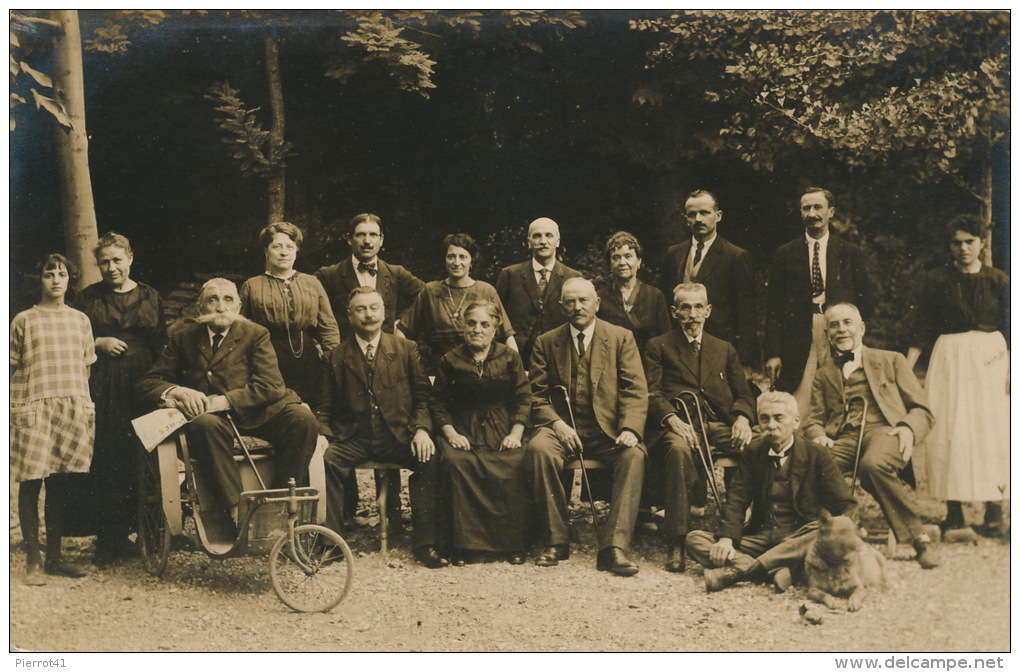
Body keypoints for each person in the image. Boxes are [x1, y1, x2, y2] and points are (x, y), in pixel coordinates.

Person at [137, 278, 321, 528]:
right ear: (200, 307)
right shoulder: (183, 337)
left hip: (258, 413)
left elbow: (270, 385)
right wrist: (178, 391)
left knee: (302, 419)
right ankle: (237, 512)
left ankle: (282, 505)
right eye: (212, 300)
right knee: (204, 424)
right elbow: (151, 381)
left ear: (239, 306)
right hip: (214, 422)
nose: (220, 307)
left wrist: (223, 401)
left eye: (228, 299)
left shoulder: (255, 334)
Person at [525, 277, 647, 575]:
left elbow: (635, 389)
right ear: (561, 306)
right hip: (562, 430)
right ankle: (556, 540)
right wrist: (557, 424)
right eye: (570, 301)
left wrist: (629, 428)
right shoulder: (546, 341)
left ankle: (614, 547)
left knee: (634, 456)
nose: (577, 307)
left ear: (597, 303)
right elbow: (535, 395)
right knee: (538, 450)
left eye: (583, 300)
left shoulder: (620, 337)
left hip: (608, 431)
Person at [318, 287, 447, 568]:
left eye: (374, 308)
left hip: (397, 436)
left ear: (384, 313)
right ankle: (332, 543)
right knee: (326, 460)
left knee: (430, 458)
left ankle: (427, 543)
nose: (369, 315)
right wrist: (324, 436)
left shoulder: (405, 349)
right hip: (354, 438)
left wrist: (422, 430)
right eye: (361, 309)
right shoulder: (335, 356)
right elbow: (324, 407)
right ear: (349, 315)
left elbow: (423, 397)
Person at [804, 302, 940, 568]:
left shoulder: (891, 360)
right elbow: (813, 420)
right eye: (834, 325)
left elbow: (923, 410)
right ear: (827, 334)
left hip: (885, 432)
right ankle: (822, 538)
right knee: (811, 463)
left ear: (861, 328)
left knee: (873, 464)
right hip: (843, 437)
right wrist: (818, 434)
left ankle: (919, 539)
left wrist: (907, 428)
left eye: (847, 323)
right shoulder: (823, 373)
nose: (841, 330)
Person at [685, 391, 856, 592]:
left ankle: (748, 569)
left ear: (796, 421)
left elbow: (846, 507)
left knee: (828, 530)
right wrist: (726, 539)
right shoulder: (753, 452)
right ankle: (776, 569)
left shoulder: (817, 455)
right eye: (764, 419)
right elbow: (737, 498)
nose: (771, 425)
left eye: (778, 418)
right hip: (762, 536)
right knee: (695, 539)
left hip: (798, 538)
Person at [905, 215, 1010, 538]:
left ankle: (994, 510)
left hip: (991, 360)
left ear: (982, 243)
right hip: (949, 360)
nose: (963, 248)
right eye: (957, 242)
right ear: (949, 246)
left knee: (990, 431)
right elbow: (921, 328)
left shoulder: (999, 280)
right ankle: (953, 512)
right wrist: (905, 371)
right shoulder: (937, 280)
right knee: (949, 430)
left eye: (970, 241)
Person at [644, 282, 755, 572]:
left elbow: (744, 394)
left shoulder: (724, 348)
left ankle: (757, 526)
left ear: (708, 310)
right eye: (685, 307)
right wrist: (672, 419)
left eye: (698, 307)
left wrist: (742, 418)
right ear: (674, 312)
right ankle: (677, 540)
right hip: (682, 424)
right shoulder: (659, 346)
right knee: (679, 451)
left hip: (720, 425)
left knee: (760, 446)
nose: (692, 314)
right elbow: (651, 393)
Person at [77, 233, 167, 566]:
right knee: (108, 455)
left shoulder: (150, 296)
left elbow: (161, 342)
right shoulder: (88, 298)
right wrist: (98, 343)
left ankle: (148, 533)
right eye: (105, 261)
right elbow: (74, 336)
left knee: (146, 456)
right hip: (104, 383)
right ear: (98, 265)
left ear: (130, 257)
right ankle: (109, 539)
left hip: (143, 383)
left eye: (117, 259)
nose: (112, 267)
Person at [11, 254, 97, 583]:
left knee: (61, 483)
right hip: (32, 408)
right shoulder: (23, 320)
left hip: (69, 407)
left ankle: (55, 558)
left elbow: (86, 366)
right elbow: (11, 366)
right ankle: (33, 559)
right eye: (49, 274)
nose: (56, 280)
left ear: (69, 280)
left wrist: (77, 402)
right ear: (39, 279)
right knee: (32, 483)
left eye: (62, 274)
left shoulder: (80, 320)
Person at [433, 301, 531, 565]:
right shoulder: (450, 359)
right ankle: (464, 546)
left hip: (502, 427)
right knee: (456, 463)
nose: (477, 329)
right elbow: (438, 403)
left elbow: (523, 398)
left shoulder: (510, 357)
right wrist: (451, 433)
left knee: (514, 462)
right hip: (463, 428)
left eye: (485, 324)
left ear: (495, 329)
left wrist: (516, 432)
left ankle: (512, 544)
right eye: (472, 323)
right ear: (463, 326)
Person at [764, 188, 876, 414]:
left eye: (818, 207)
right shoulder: (786, 253)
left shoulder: (848, 252)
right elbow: (774, 307)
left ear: (831, 212)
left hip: (837, 328)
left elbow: (867, 298)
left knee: (839, 386)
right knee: (801, 393)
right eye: (807, 208)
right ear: (801, 213)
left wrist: (853, 331)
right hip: (799, 331)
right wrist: (773, 353)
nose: (812, 213)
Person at [240, 221, 340, 404]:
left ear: (296, 251)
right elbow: (240, 329)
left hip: (307, 357)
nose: (284, 252)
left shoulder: (313, 283)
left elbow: (328, 327)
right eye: (277, 246)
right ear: (266, 251)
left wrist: (332, 361)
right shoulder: (251, 285)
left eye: (289, 247)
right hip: (266, 355)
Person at [661, 190, 758, 367]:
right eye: (692, 214)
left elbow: (747, 314)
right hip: (678, 350)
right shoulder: (674, 254)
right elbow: (665, 305)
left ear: (718, 215)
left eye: (704, 212)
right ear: (686, 218)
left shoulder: (735, 256)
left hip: (720, 350)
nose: (698, 219)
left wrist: (745, 362)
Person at [399, 233, 518, 373]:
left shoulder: (486, 291)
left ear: (471, 261)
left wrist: (516, 371)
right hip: (439, 371)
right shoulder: (430, 291)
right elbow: (403, 331)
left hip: (480, 371)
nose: (456, 263)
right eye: (451, 256)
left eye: (463, 257)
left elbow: (507, 336)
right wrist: (401, 365)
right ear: (445, 259)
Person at [315, 213, 425, 340]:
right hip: (346, 352)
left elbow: (426, 295)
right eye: (361, 235)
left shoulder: (396, 273)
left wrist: (403, 323)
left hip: (387, 351)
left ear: (381, 239)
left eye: (373, 235)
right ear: (349, 239)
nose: (367, 241)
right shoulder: (330, 275)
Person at [495, 217, 581, 368]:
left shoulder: (573, 276)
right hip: (518, 354)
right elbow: (496, 315)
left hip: (559, 352)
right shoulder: (510, 275)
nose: (543, 241)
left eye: (549, 235)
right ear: (529, 242)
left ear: (558, 241)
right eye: (537, 236)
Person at [596, 231, 671, 354]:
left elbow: (666, 338)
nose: (622, 262)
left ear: (639, 261)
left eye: (628, 256)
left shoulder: (655, 296)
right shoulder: (600, 297)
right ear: (610, 264)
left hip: (648, 363)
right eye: (616, 257)